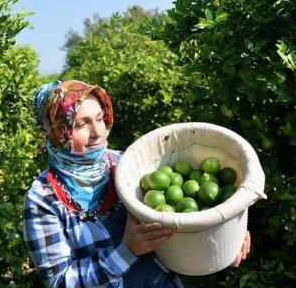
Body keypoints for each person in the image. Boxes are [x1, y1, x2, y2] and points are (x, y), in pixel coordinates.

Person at [23, 80, 250, 288]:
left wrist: (224, 240)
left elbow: (178, 225)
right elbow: (60, 282)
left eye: (100, 118)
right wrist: (127, 251)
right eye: (81, 124)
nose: (98, 132)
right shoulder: (43, 198)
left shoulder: (125, 165)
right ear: (58, 132)